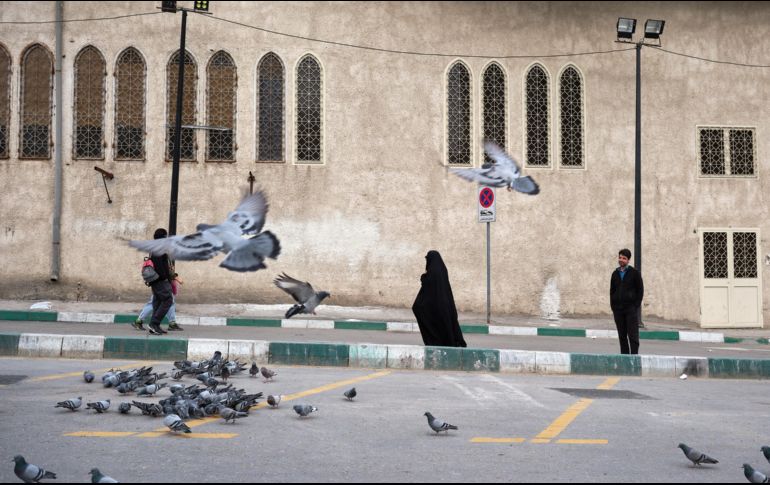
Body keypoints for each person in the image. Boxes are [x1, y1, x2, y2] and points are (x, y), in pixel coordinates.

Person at [411, 250, 467, 347]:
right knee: (446, 325)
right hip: (446, 304)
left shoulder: (432, 272)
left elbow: (427, 288)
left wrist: (424, 277)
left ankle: (436, 342)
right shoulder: (442, 269)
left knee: (429, 320)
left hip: (435, 305)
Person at [610, 248, 644, 354]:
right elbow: (612, 291)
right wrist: (613, 306)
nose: (621, 260)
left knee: (633, 336)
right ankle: (624, 358)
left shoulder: (634, 273)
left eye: (624, 258)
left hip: (630, 310)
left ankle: (634, 357)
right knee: (622, 336)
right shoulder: (615, 274)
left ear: (628, 260)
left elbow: (640, 290)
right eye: (620, 257)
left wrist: (635, 306)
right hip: (618, 310)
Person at [142, 228, 176, 335]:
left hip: (156, 281)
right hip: (161, 281)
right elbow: (160, 267)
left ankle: (154, 326)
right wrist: (166, 278)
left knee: (158, 302)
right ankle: (154, 323)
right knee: (168, 300)